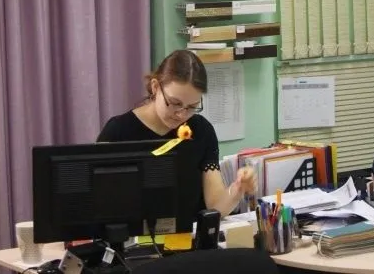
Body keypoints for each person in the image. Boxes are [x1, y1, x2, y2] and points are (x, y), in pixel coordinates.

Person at [98, 49, 257, 219]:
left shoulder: (201, 131)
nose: (181, 114)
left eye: (192, 107)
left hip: (190, 234)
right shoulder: (119, 131)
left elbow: (215, 207)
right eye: (175, 103)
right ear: (155, 87)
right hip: (133, 235)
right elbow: (99, 203)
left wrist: (237, 189)